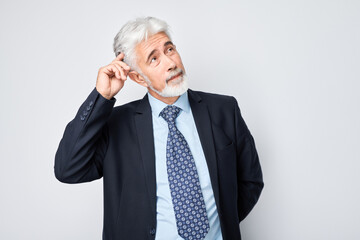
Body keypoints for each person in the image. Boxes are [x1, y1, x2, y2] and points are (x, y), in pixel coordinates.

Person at [54, 16, 264, 240]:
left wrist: (221, 224)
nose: (171, 63)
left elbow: (250, 180)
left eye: (170, 49)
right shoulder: (116, 125)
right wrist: (101, 97)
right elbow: (68, 169)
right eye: (154, 59)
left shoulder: (223, 110)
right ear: (138, 77)